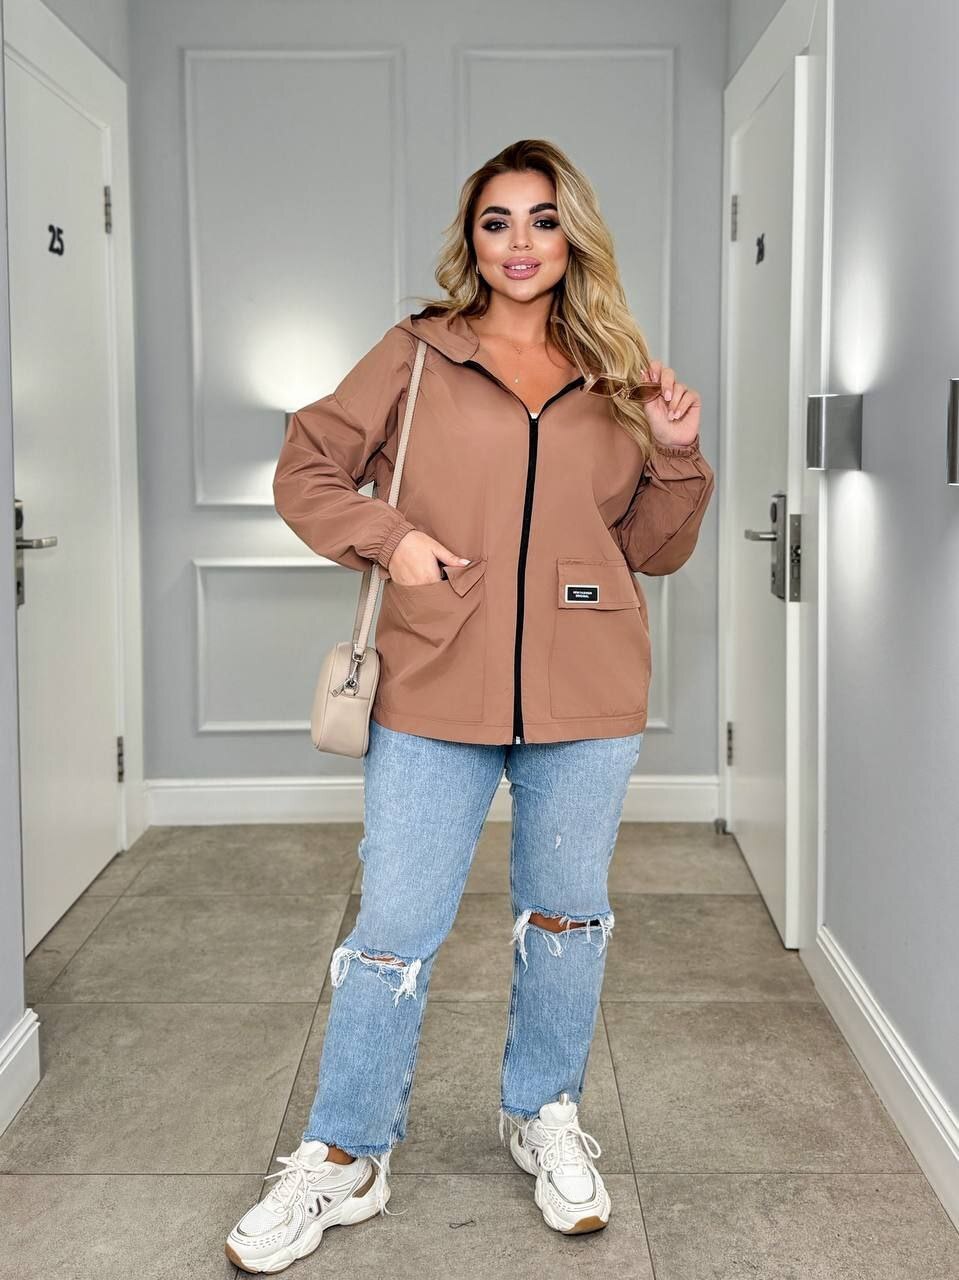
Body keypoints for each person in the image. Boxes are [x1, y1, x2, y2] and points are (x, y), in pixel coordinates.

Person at [226, 137, 715, 1274]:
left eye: (542, 220)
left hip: (587, 691)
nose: (519, 243)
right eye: (497, 221)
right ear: (472, 239)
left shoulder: (616, 372)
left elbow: (651, 548)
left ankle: (541, 1112)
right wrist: (389, 537)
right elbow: (306, 466)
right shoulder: (416, 352)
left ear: (572, 236)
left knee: (566, 919)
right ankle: (344, 1153)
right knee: (392, 929)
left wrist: (678, 455)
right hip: (433, 681)